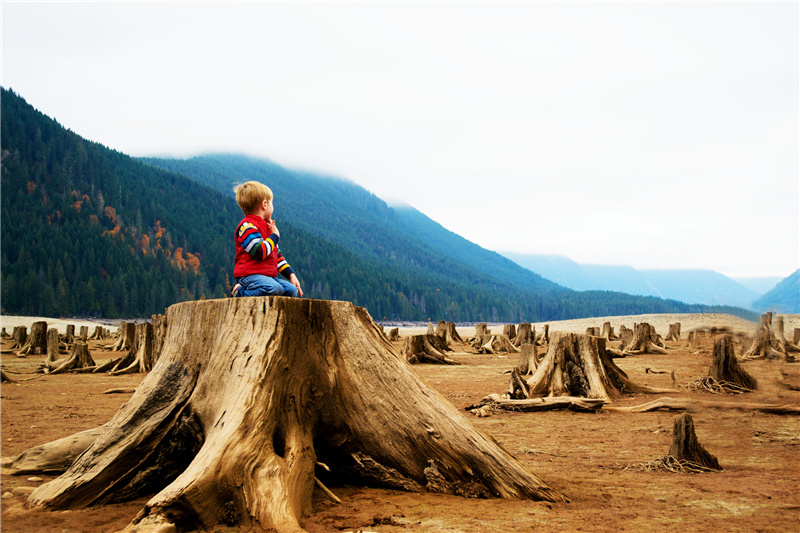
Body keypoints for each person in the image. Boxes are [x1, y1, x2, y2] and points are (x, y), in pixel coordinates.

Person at [231, 181, 303, 298]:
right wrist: (275, 236)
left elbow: (277, 256)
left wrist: (291, 275)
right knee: (274, 288)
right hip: (250, 277)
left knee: (292, 291)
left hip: (269, 277)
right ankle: (240, 292)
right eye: (271, 202)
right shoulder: (247, 227)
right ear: (264, 204)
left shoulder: (268, 228)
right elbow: (260, 251)